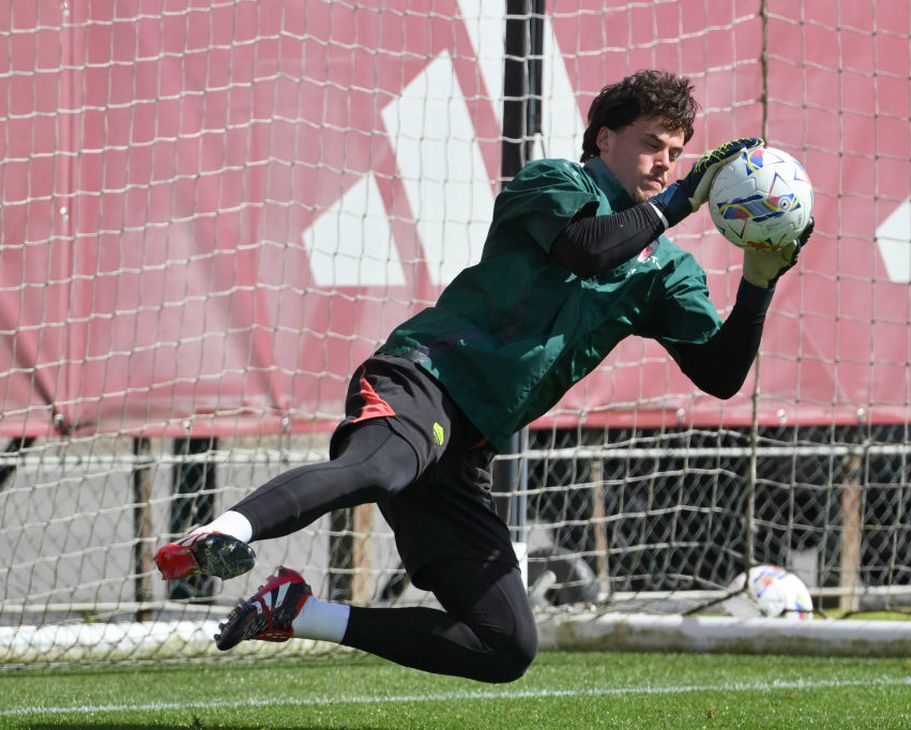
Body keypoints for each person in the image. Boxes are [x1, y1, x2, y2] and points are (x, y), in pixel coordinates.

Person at [153, 69, 813, 684]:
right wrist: (680, 198)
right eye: (651, 145)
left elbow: (721, 375)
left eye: (675, 151)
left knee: (505, 645)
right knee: (380, 467)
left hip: (465, 446)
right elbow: (584, 249)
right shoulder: (557, 182)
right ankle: (223, 532)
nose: (665, 162)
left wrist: (758, 284)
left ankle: (298, 612)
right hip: (423, 378)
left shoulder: (666, 269)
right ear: (604, 138)